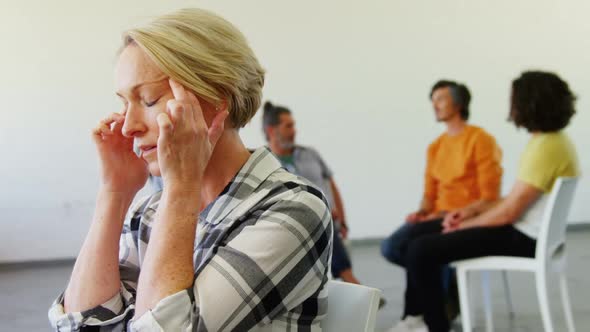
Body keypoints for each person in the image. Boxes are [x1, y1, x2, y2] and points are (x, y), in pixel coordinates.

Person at [48, 8, 332, 331]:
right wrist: (114, 192)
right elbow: (81, 327)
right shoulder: (149, 212)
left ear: (217, 99)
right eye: (124, 104)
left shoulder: (295, 210)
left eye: (150, 99)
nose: (127, 126)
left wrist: (182, 185)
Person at [389, 71, 579, 332]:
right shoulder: (550, 142)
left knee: (421, 250)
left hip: (523, 237)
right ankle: (420, 316)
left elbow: (508, 213)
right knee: (415, 237)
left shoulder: (545, 147)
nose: (511, 107)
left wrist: (465, 225)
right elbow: (513, 199)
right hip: (523, 230)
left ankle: (433, 325)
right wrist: (470, 213)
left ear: (531, 102)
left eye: (515, 100)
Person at [381, 80, 503, 322]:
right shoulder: (435, 147)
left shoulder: (481, 140)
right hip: (437, 216)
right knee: (393, 246)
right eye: (433, 100)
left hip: (467, 217)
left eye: (440, 99)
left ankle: (417, 315)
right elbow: (429, 193)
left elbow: (490, 196)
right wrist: (421, 211)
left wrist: (456, 213)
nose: (434, 106)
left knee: (420, 248)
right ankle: (440, 298)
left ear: (458, 103)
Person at [262, 102, 377, 293]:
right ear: (272, 130)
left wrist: (343, 220)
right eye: (288, 126)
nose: (294, 131)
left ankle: (351, 287)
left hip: (328, 221)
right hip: (292, 227)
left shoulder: (310, 154)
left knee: (327, 233)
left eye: (294, 125)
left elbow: (331, 186)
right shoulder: (265, 162)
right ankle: (353, 285)